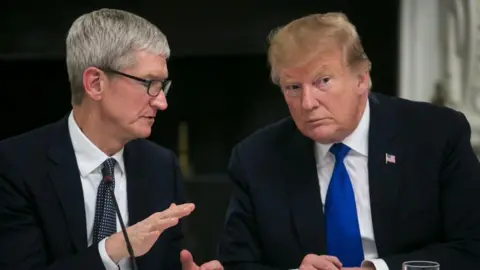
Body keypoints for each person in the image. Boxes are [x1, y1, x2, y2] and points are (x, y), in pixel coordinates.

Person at [217, 12, 480, 270]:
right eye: (293, 88)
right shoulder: (256, 158)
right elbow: (236, 263)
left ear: (361, 80)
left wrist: (376, 269)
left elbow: (472, 247)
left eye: (323, 81)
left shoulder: (435, 135)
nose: (308, 103)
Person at [0, 8, 222, 270]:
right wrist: (113, 249)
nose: (161, 102)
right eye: (149, 83)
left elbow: (177, 256)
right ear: (95, 83)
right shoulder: (15, 165)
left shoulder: (160, 165)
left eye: (163, 86)